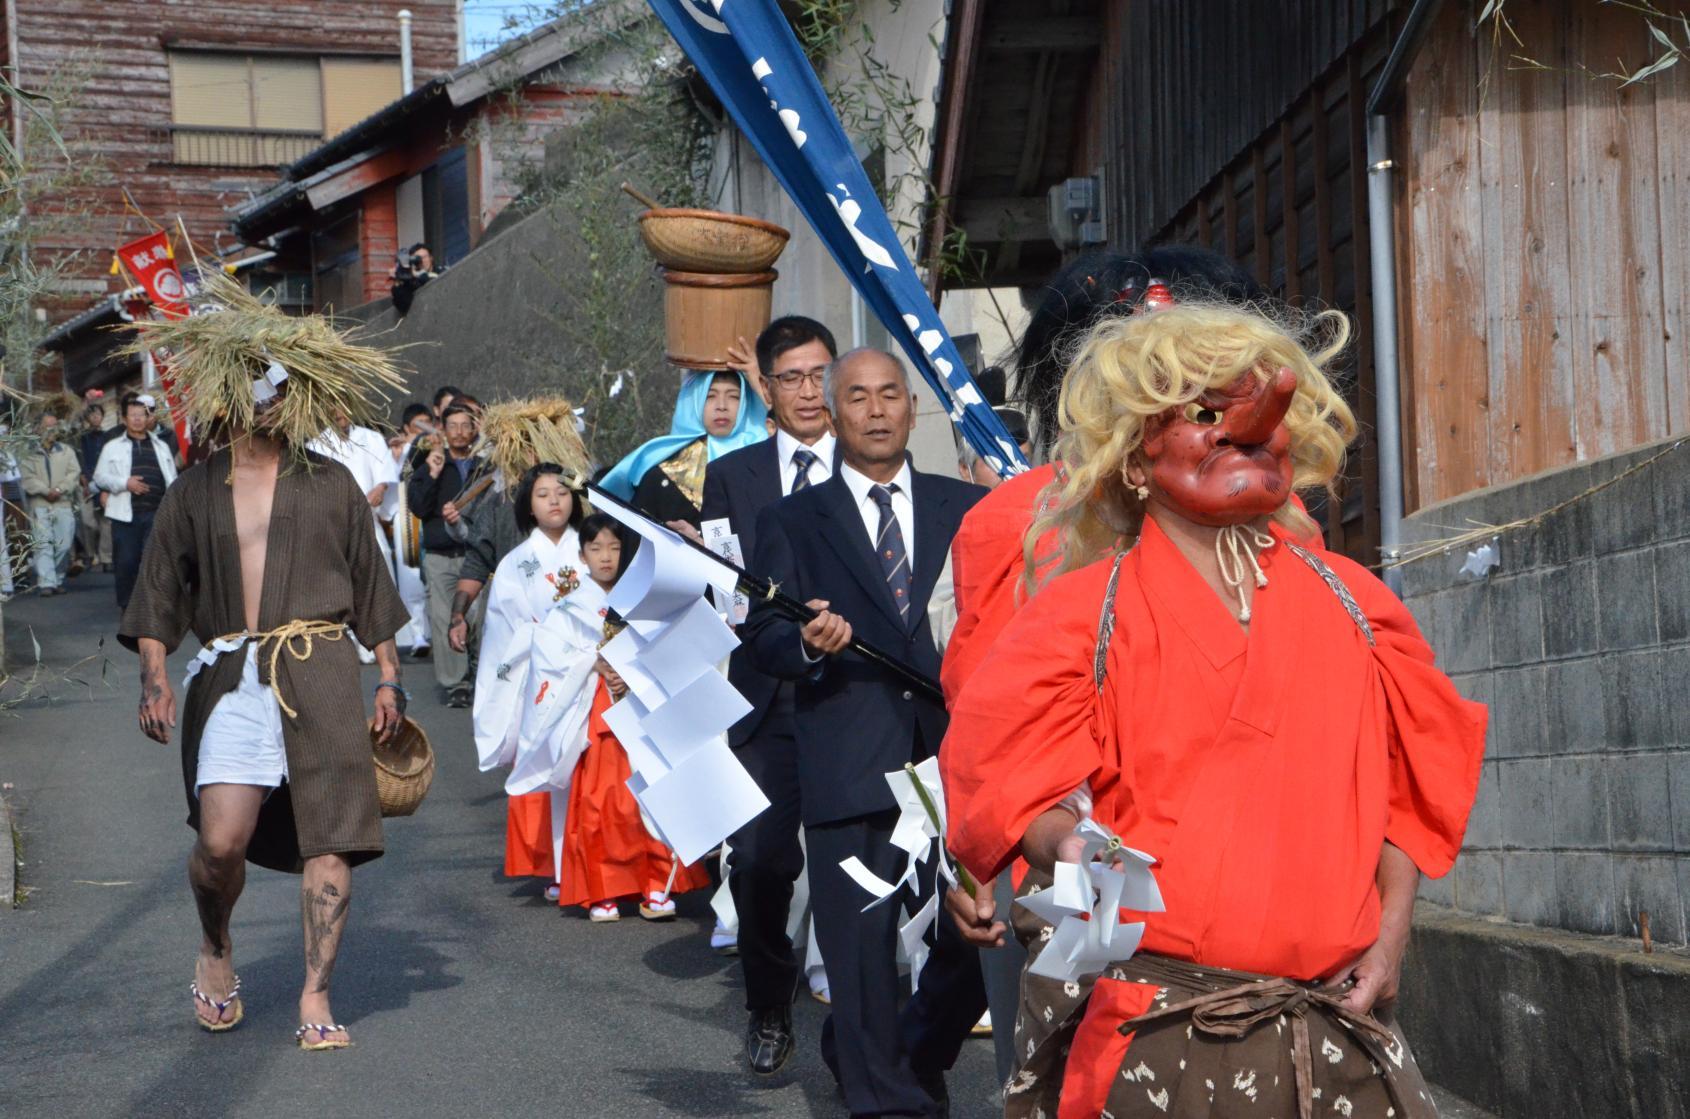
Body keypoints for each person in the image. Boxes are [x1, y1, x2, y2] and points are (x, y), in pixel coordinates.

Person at [942, 300, 1487, 1118]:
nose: (1245, 428)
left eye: (1264, 410)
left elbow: (1404, 797)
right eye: (1203, 412)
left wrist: (1393, 933)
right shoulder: (1080, 616)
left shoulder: (1359, 607)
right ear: (1133, 459)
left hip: (1334, 1028)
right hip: (1156, 1034)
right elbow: (1018, 785)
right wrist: (1071, 841)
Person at [118, 285, 412, 1052]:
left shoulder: (332, 483)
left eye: (284, 385)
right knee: (221, 839)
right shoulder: (194, 492)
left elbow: (372, 582)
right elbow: (160, 589)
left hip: (317, 669)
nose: (273, 399)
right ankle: (216, 944)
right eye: (261, 383)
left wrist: (387, 674)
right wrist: (154, 677)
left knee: (332, 836)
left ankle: (317, 991)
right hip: (230, 678)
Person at [744, 348, 989, 1117]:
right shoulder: (793, 518)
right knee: (859, 953)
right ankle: (888, 1098)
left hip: (952, 758)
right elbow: (763, 637)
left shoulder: (967, 509)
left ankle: (910, 1045)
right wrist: (808, 647)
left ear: (912, 408)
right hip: (848, 758)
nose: (876, 410)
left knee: (975, 939)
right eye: (858, 397)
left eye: (890, 395)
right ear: (830, 406)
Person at [699, 315, 839, 1072]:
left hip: (852, 694)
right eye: (791, 377)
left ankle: (861, 1013)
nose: (810, 391)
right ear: (766, 387)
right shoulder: (735, 474)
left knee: (860, 857)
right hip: (767, 694)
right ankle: (767, 1002)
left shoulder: (868, 460)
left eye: (821, 374)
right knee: (757, 860)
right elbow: (725, 590)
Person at [564, 512, 713, 918]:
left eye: (614, 547)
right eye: (596, 548)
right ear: (582, 555)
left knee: (647, 796)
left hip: (640, 701)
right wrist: (594, 663)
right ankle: (603, 888)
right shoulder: (572, 604)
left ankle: (656, 883)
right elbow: (554, 654)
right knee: (602, 802)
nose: (606, 557)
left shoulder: (641, 598)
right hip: (597, 708)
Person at [597, 369, 769, 530]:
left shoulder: (765, 461)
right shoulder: (661, 474)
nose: (721, 406)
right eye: (710, 396)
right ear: (694, 400)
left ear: (747, 402)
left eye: (733, 396)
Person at [405, 402, 485, 706]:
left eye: (466, 425)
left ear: (475, 428)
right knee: (442, 619)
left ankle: (479, 671)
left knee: (477, 618)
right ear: (443, 429)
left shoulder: (484, 465)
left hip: (476, 554)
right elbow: (418, 507)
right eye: (453, 426)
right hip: (440, 555)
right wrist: (431, 473)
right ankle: (456, 683)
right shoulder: (432, 462)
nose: (460, 432)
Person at [93, 393, 179, 610]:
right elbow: (99, 477)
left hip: (156, 513)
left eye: (142, 415)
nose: (138, 419)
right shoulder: (112, 446)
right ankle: (128, 607)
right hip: (125, 514)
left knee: (154, 561)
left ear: (148, 418)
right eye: (133, 415)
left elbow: (172, 478)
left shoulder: (161, 446)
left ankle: (153, 608)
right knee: (127, 562)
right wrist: (125, 483)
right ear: (124, 419)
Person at [387, 403, 436, 657]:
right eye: (419, 423)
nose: (424, 428)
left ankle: (434, 630)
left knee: (432, 575)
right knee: (411, 577)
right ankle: (418, 634)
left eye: (428, 422)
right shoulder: (398, 450)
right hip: (407, 514)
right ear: (406, 427)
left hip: (431, 513)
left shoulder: (436, 446)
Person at [20, 412, 80, 596]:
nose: (51, 431)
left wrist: (60, 489)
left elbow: (74, 473)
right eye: (47, 426)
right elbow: (27, 477)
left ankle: (58, 577)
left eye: (54, 426)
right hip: (40, 502)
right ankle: (47, 582)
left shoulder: (66, 450)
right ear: (38, 428)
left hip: (62, 502)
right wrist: (46, 491)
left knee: (63, 543)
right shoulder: (29, 452)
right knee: (43, 544)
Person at [76, 403, 113, 572]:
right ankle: (90, 553)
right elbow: (80, 458)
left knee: (106, 521)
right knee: (88, 521)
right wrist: (83, 478)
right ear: (87, 418)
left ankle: (106, 558)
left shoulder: (108, 437)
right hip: (86, 480)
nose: (95, 418)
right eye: (92, 415)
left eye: (98, 414)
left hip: (104, 480)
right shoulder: (81, 438)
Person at [390, 243, 438, 316]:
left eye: (424, 257)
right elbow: (403, 307)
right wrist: (398, 283)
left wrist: (419, 275)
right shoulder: (412, 281)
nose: (421, 261)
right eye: (418, 258)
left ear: (431, 258)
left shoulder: (441, 272)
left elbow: (436, 284)